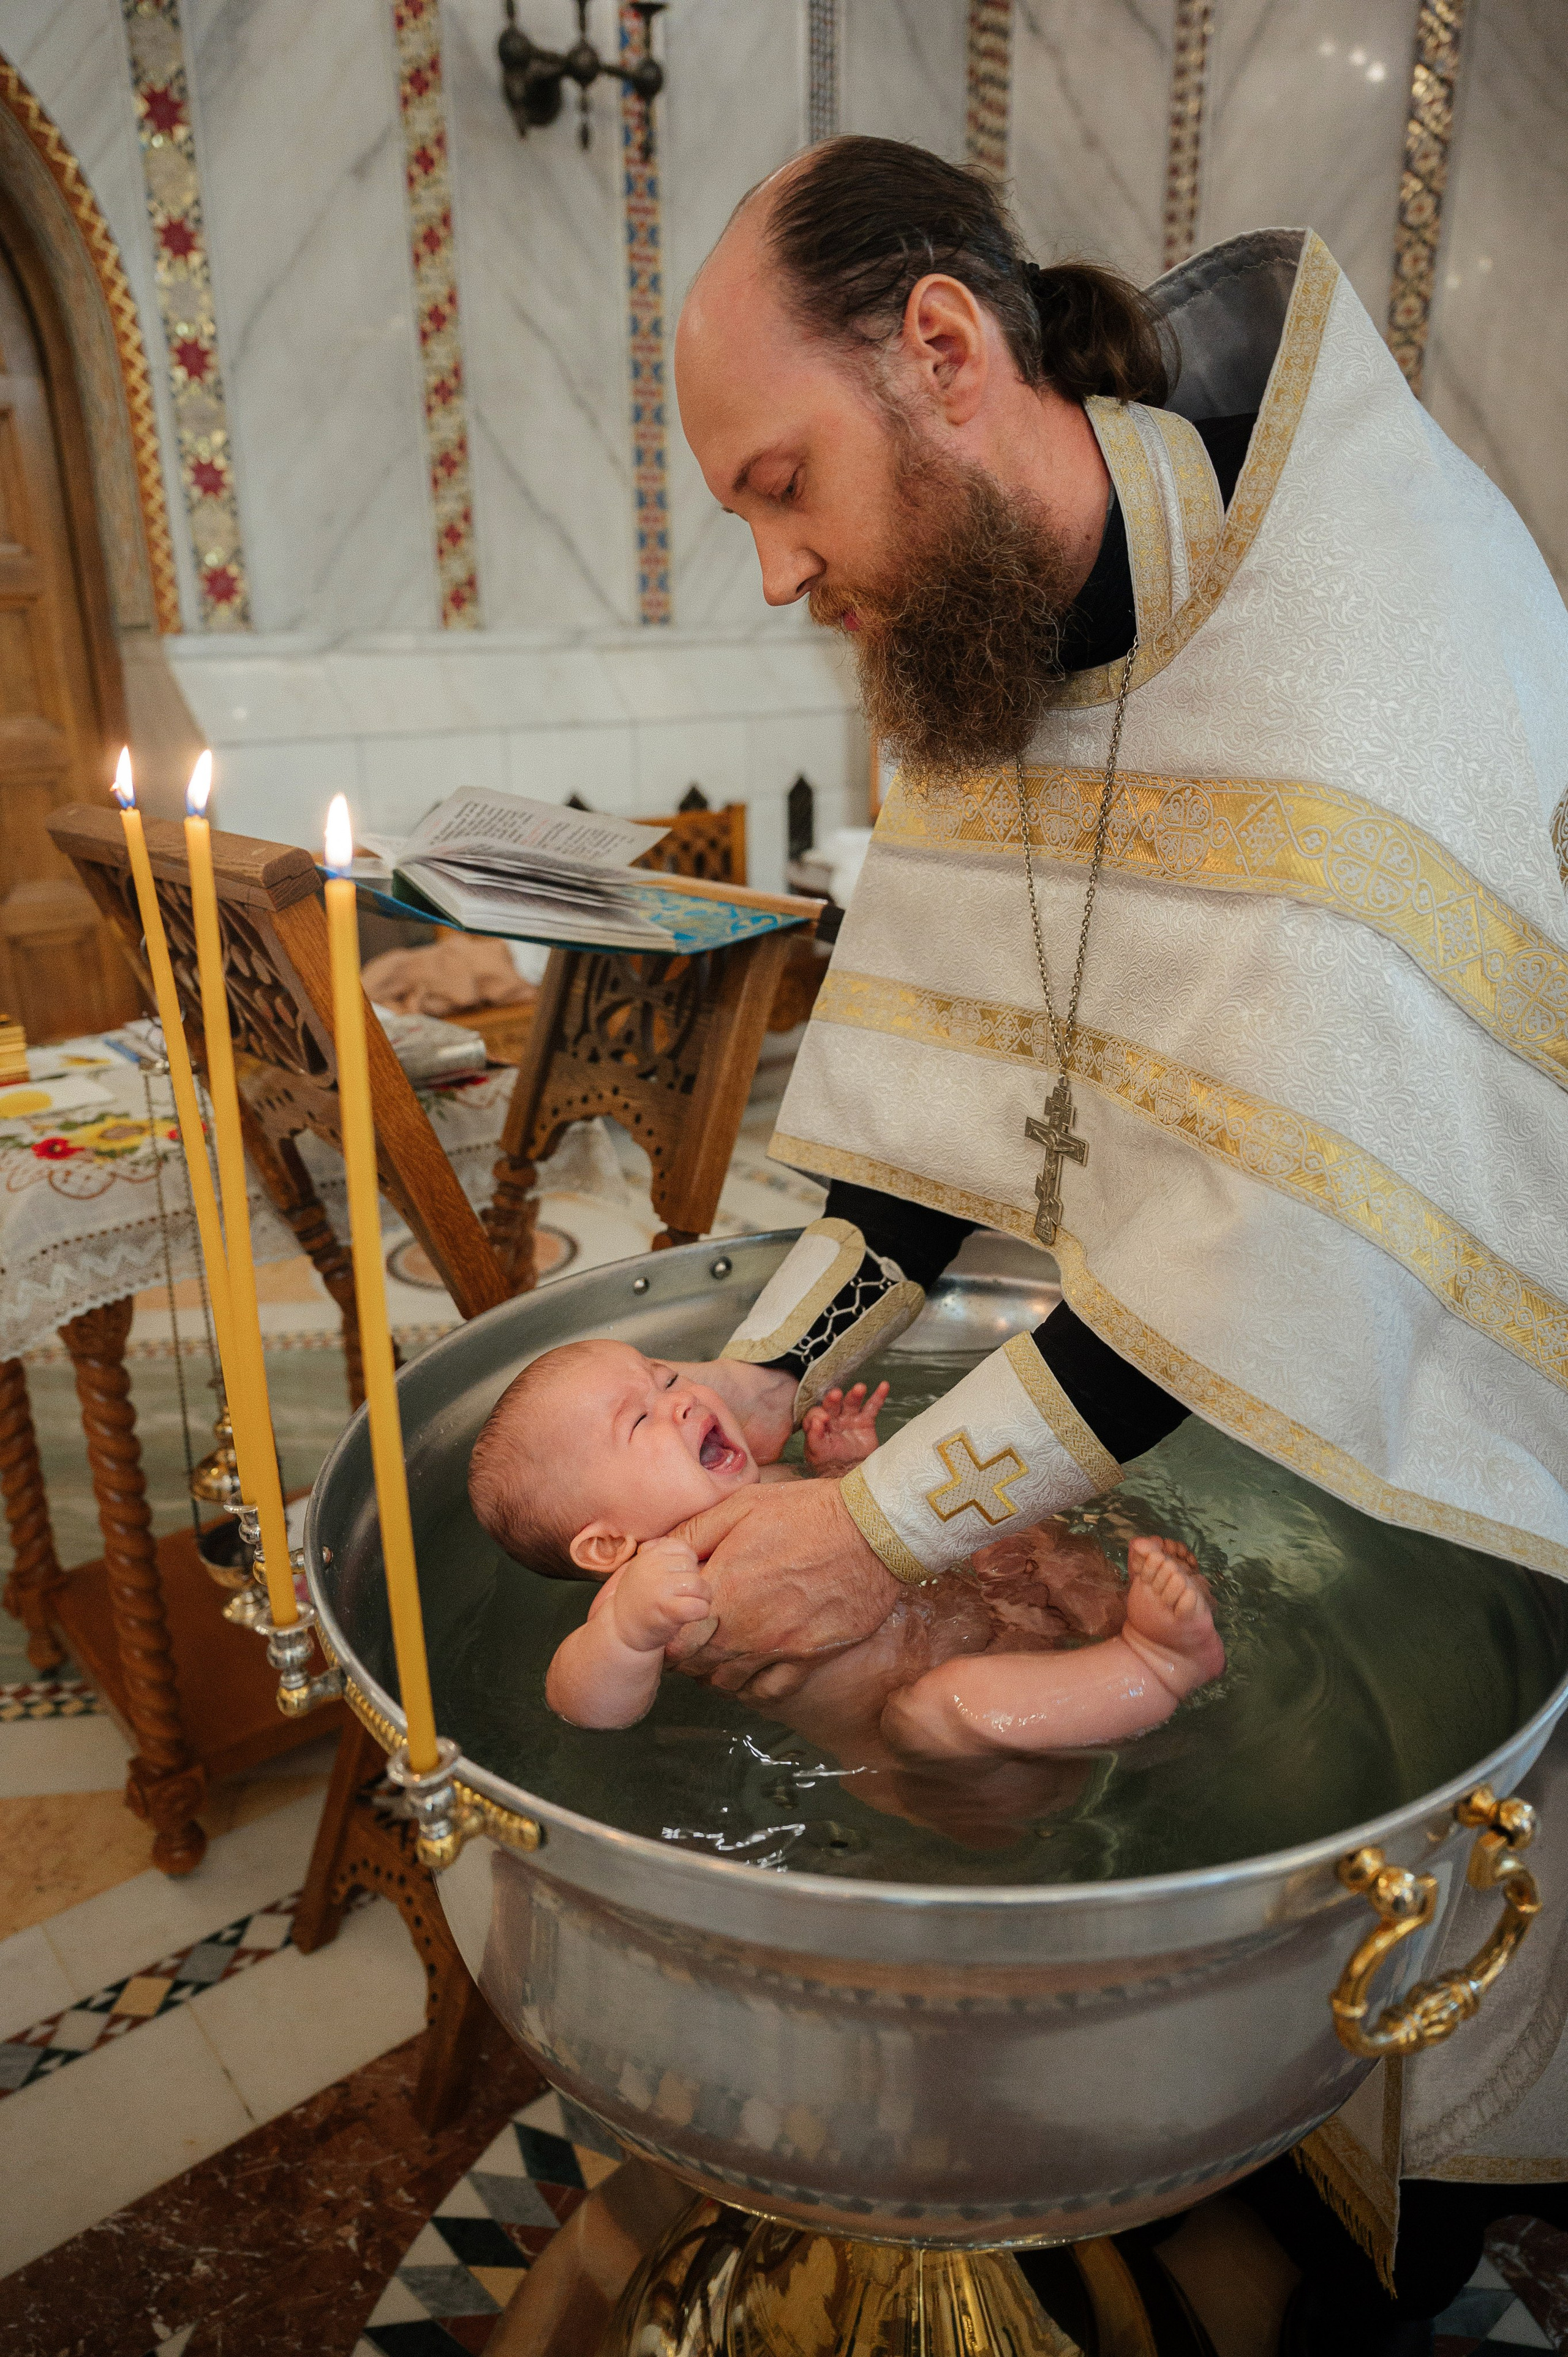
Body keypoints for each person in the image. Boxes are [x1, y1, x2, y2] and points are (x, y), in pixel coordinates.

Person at [658, 137, 1568, 2348]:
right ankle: (1155, 2184)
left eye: (783, 482)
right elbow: (934, 1097)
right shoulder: (989, 627)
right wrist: (771, 1371)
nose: (776, 567)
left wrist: (867, 1529)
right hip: (1184, 1375)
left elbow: (1282, 1228)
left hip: (1468, 1352)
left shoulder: (1364, 627)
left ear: (944, 356)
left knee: (1420, 1981)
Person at [465, 1338, 1221, 1839]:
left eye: (666, 1376)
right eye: (640, 1419)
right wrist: (625, 1633)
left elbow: (882, 1526)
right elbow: (579, 1704)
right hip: (962, 1776)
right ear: (605, 1543)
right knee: (938, 1710)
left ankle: (1111, 1612)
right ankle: (1153, 1663)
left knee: (1016, 1537)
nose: (683, 1398)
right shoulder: (651, 1585)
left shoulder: (774, 1482)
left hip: (1005, 1636)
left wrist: (847, 1471)